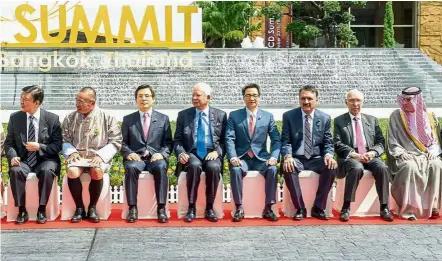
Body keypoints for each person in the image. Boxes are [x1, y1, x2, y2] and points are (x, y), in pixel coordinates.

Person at [62, 87, 122, 223]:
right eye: (76, 100)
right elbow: (64, 138)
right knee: (72, 171)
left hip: (98, 157)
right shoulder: (70, 117)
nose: (77, 104)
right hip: (78, 156)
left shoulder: (107, 117)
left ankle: (92, 208)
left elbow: (116, 141)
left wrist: (100, 156)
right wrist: (71, 152)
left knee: (97, 171)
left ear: (92, 103)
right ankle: (79, 208)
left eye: (81, 101)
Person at [4, 85, 62, 224]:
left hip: (45, 159)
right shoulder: (15, 118)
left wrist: (40, 147)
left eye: (25, 99)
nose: (21, 102)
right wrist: (12, 156)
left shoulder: (52, 119)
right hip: (23, 160)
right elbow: (9, 144)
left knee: (47, 171)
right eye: (21, 98)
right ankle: (21, 210)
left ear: (37, 102)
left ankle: (41, 209)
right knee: (16, 171)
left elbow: (57, 145)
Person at [333, 89, 393, 222]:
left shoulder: (372, 120)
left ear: (363, 102)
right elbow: (337, 143)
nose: (355, 104)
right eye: (352, 100)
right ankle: (346, 207)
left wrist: (372, 153)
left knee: (382, 167)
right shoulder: (339, 121)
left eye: (358, 100)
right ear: (346, 102)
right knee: (357, 168)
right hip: (351, 157)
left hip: (369, 155)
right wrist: (354, 154)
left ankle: (384, 207)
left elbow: (381, 142)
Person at [281, 85, 337, 221]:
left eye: (309, 98)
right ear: (299, 100)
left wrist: (329, 155)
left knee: (331, 167)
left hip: (316, 158)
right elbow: (285, 140)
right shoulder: (289, 116)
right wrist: (288, 156)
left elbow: (328, 142)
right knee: (288, 167)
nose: (306, 102)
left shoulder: (324, 118)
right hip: (297, 158)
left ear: (316, 100)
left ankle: (318, 207)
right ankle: (300, 208)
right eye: (303, 98)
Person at [226, 83, 280, 222]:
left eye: (255, 95)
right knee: (236, 170)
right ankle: (239, 208)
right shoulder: (234, 116)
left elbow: (276, 140)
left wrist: (274, 157)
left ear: (259, 98)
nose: (252, 98)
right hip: (241, 158)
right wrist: (232, 157)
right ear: (243, 98)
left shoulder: (268, 116)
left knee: (273, 169)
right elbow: (229, 139)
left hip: (261, 159)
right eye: (248, 95)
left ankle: (268, 208)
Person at [174, 83, 227, 223]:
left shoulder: (220, 115)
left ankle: (209, 208)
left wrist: (218, 152)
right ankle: (191, 207)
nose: (194, 98)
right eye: (193, 95)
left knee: (214, 167)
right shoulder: (184, 115)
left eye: (198, 95)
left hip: (211, 152)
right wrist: (181, 153)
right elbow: (177, 140)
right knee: (194, 165)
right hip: (192, 151)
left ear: (209, 97)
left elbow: (224, 140)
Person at [387, 87, 442, 221]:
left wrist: (433, 151)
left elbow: (434, 140)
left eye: (408, 100)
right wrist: (400, 152)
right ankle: (409, 209)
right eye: (403, 99)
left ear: (417, 101)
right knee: (409, 167)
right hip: (404, 155)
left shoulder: (429, 116)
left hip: (424, 154)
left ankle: (432, 206)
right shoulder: (396, 115)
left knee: (436, 164)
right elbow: (392, 140)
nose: (404, 102)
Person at [121, 85, 173, 223]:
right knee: (131, 168)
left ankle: (161, 208)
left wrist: (161, 154)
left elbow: (168, 143)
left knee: (161, 167)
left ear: (153, 99)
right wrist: (129, 153)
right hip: (136, 158)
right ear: (136, 100)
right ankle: (132, 208)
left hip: (155, 158)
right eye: (140, 96)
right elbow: (122, 143)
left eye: (147, 96)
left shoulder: (163, 119)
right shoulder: (128, 119)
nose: (143, 99)